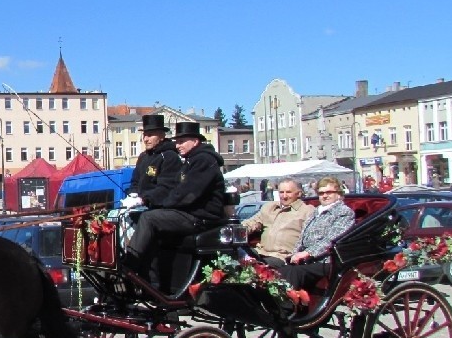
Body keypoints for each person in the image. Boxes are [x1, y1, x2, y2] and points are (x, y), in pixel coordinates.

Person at [125, 121, 225, 282]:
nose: (177, 145)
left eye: (181, 141)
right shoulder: (191, 160)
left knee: (149, 218)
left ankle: (130, 265)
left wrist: (157, 203)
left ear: (195, 141)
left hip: (200, 217)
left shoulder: (203, 160)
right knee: (146, 217)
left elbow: (187, 194)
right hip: (190, 213)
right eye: (177, 141)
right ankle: (150, 278)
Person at [277, 176, 355, 290]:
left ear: (338, 193)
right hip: (307, 260)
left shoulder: (344, 212)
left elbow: (332, 239)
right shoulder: (316, 211)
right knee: (281, 270)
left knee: (294, 273)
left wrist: (307, 253)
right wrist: (294, 254)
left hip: (327, 260)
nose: (324, 196)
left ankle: (287, 306)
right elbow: (302, 237)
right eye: (321, 193)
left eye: (329, 192)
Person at [242, 178, 314, 266]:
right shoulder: (269, 207)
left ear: (298, 193)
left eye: (288, 192)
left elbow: (313, 236)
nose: (284, 196)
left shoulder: (307, 211)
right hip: (259, 252)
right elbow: (252, 222)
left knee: (256, 266)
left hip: (282, 257)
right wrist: (239, 230)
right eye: (281, 192)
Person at [124, 114, 182, 208]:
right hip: (142, 205)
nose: (146, 139)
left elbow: (166, 188)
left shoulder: (169, 156)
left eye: (150, 135)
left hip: (161, 207)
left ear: (161, 136)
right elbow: (135, 181)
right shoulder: (143, 156)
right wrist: (133, 194)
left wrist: (143, 199)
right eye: (144, 135)